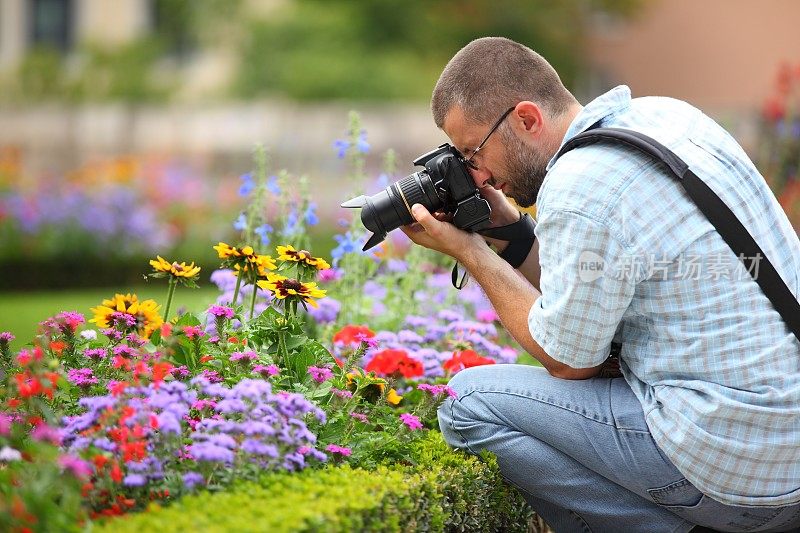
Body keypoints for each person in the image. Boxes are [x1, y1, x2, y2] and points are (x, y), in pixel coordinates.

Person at [401, 36, 800, 533]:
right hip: (787, 444)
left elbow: (570, 360)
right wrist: (507, 231)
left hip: (738, 473)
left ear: (526, 118)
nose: (478, 175)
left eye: (473, 152)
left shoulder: (579, 185)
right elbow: (590, 295)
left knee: (467, 404)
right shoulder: (665, 118)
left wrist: (469, 251)